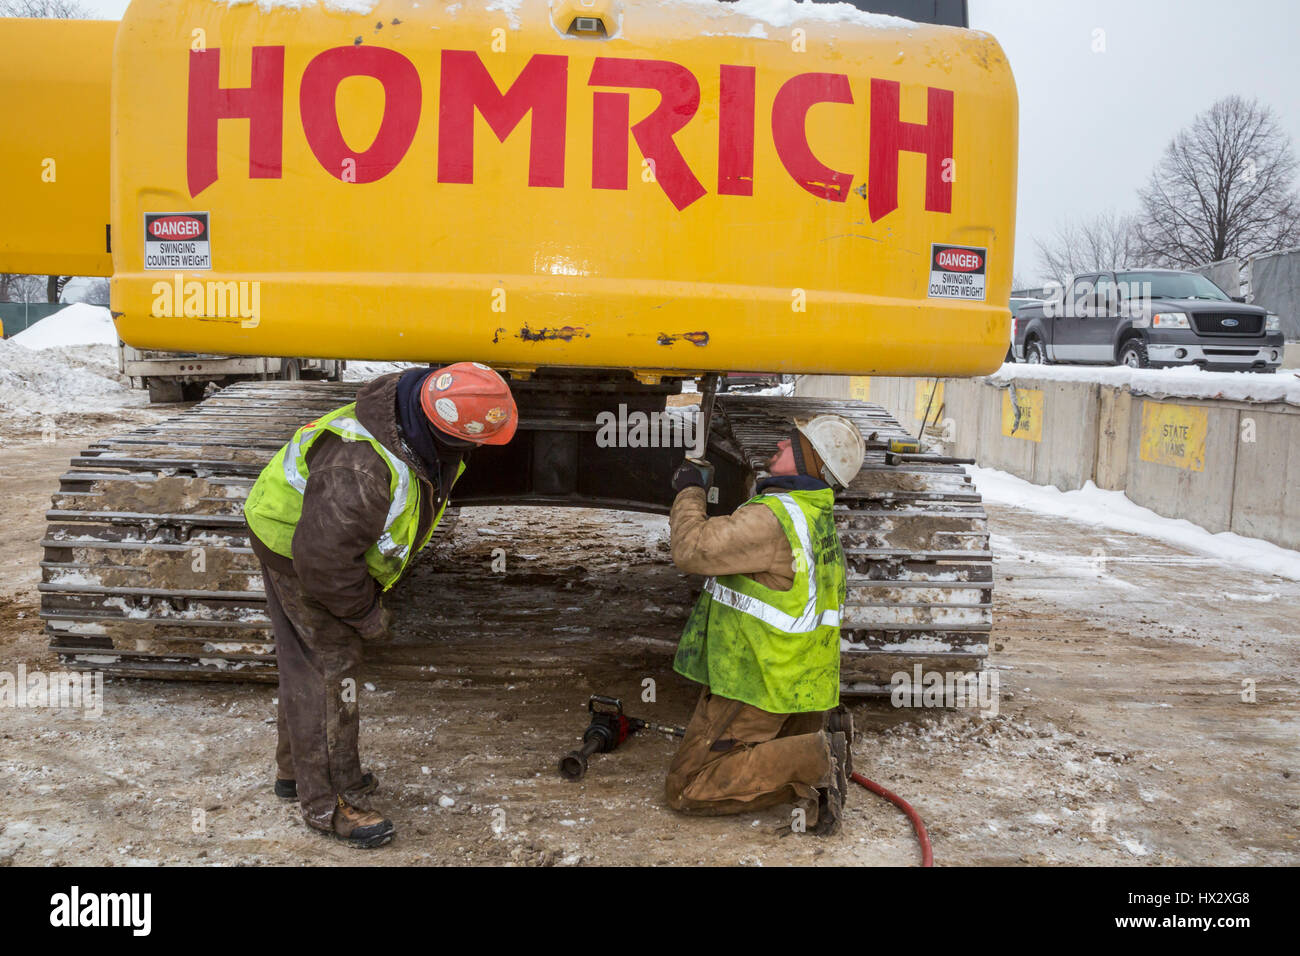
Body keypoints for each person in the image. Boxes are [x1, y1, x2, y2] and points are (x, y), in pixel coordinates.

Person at [243, 362, 517, 848]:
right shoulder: (361, 466)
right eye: (472, 442)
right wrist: (367, 615)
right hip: (303, 551)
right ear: (444, 429)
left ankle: (296, 774)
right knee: (332, 671)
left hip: (307, 540)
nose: (476, 450)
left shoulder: (410, 422)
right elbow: (325, 562)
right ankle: (332, 801)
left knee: (304, 665)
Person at [664, 415, 864, 835]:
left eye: (791, 442)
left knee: (688, 788)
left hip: (758, 679)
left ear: (811, 461)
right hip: (803, 684)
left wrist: (690, 490)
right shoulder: (815, 516)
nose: (778, 443)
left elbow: (691, 549)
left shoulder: (774, 518)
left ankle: (817, 759)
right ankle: (816, 742)